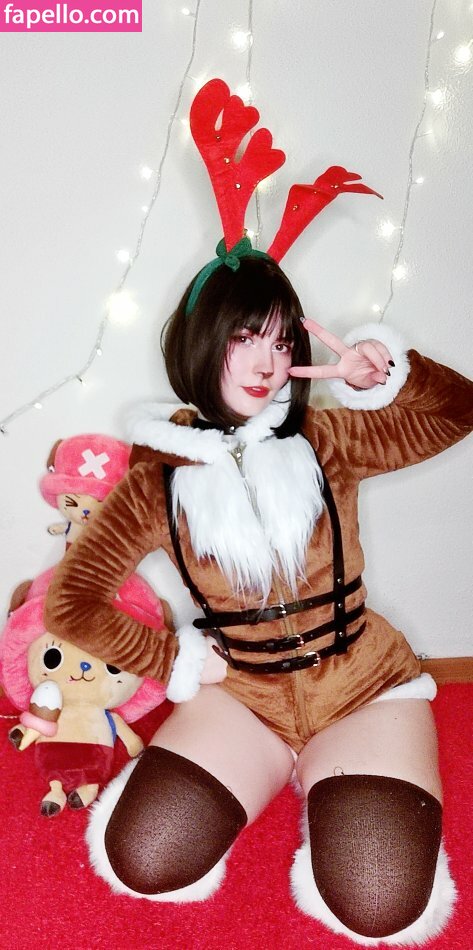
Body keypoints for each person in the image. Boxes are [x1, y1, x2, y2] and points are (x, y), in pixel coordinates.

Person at [45, 80, 472, 945]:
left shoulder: (328, 440)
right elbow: (74, 601)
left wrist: (385, 371)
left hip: (362, 686)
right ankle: (276, 768)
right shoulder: (158, 478)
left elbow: (455, 413)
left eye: (282, 339)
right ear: (203, 342)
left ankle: (337, 772)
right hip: (240, 696)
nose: (267, 361)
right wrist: (171, 659)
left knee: (379, 899)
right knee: (145, 856)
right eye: (245, 337)